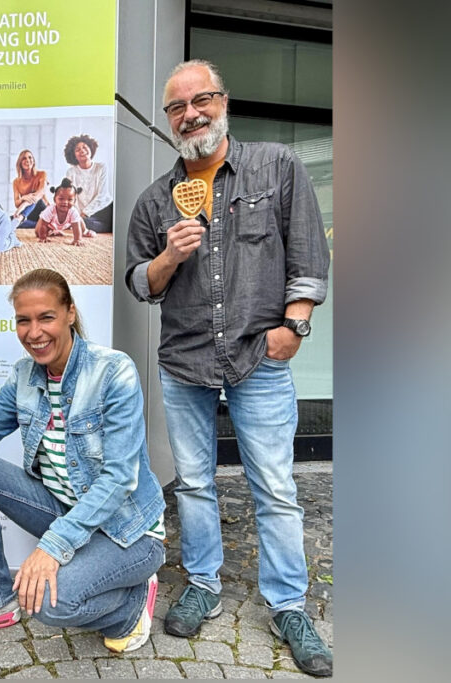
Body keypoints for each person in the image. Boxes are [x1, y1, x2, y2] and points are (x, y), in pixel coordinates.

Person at [124, 59, 332, 676]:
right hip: (185, 361)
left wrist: (295, 326)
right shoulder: (155, 200)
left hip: (258, 356)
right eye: (177, 107)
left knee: (274, 486)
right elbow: (140, 284)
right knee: (192, 482)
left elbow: (308, 250)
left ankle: (289, 602)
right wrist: (167, 256)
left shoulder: (277, 167)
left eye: (201, 99)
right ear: (167, 121)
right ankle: (205, 584)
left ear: (223, 102)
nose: (190, 113)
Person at [0, 269, 166, 653]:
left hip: (127, 531)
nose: (33, 332)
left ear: (70, 313)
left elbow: (120, 478)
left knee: (44, 602)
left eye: (46, 317)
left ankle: (131, 603)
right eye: (23, 320)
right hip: (64, 510)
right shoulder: (24, 375)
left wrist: (51, 548)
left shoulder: (113, 371)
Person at [62, 134, 113, 233]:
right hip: (84, 216)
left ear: (91, 149)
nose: (82, 151)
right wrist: (77, 215)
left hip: (103, 209)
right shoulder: (71, 172)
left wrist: (84, 213)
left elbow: (102, 195)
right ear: (74, 155)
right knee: (83, 223)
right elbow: (71, 197)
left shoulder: (101, 167)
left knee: (82, 223)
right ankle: (103, 227)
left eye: (85, 147)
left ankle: (105, 226)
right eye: (77, 150)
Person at [33, 177, 95, 246]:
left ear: (74, 201)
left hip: (66, 224)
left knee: (79, 220)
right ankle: (53, 231)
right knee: (38, 233)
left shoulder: (73, 211)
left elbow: (76, 227)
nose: (65, 202)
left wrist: (77, 239)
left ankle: (85, 231)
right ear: (54, 199)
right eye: (61, 199)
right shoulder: (50, 210)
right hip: (49, 224)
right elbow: (43, 224)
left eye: (70, 199)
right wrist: (43, 237)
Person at [12, 149, 49, 229]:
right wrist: (23, 198)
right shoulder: (16, 182)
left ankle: (21, 217)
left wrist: (19, 212)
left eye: (30, 158)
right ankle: (37, 225)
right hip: (29, 212)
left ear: (34, 161)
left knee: (34, 197)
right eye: (24, 158)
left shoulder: (42, 174)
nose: (27, 160)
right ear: (20, 163)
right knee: (9, 220)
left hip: (41, 210)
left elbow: (40, 193)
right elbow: (16, 203)